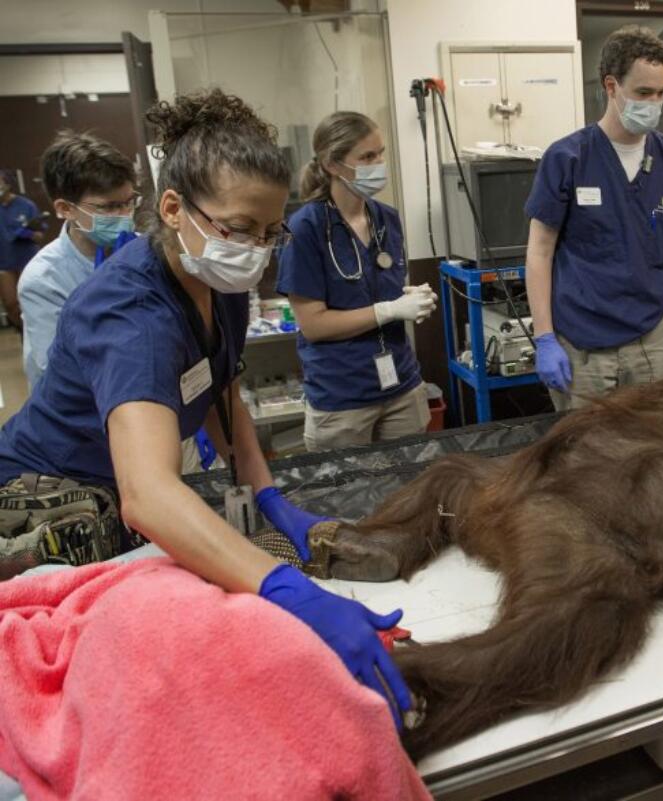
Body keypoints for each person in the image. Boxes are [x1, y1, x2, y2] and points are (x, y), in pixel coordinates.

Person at [0, 90, 411, 727]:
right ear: (173, 208)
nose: (255, 249)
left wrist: (270, 497)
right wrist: (285, 588)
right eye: (240, 228)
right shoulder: (132, 315)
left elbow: (221, 390)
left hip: (114, 490)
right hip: (52, 497)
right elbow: (149, 494)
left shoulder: (219, 282)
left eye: (271, 233)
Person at [524, 25, 663, 411]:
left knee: (655, 452)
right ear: (611, 86)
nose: (654, 103)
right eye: (643, 93)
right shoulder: (569, 159)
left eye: (661, 93)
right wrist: (543, 338)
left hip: (652, 339)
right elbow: (540, 252)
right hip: (583, 345)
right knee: (588, 459)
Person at [276, 111, 436, 452]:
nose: (379, 164)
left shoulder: (386, 219)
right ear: (333, 164)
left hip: (401, 387)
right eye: (367, 157)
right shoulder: (305, 229)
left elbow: (383, 286)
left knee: (411, 494)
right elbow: (314, 325)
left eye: (380, 153)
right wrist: (389, 310)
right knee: (347, 500)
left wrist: (411, 299)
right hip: (342, 397)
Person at [19, 131, 139, 388]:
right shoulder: (44, 280)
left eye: (130, 202)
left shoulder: (142, 249)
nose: (125, 215)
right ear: (65, 208)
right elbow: (57, 369)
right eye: (109, 207)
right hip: (77, 410)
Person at [0, 172, 46, 331]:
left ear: (7, 184)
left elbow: (40, 236)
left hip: (28, 261)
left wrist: (28, 233)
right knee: (11, 303)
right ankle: (23, 332)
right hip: (4, 263)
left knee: (35, 301)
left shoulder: (26, 205)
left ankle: (39, 332)